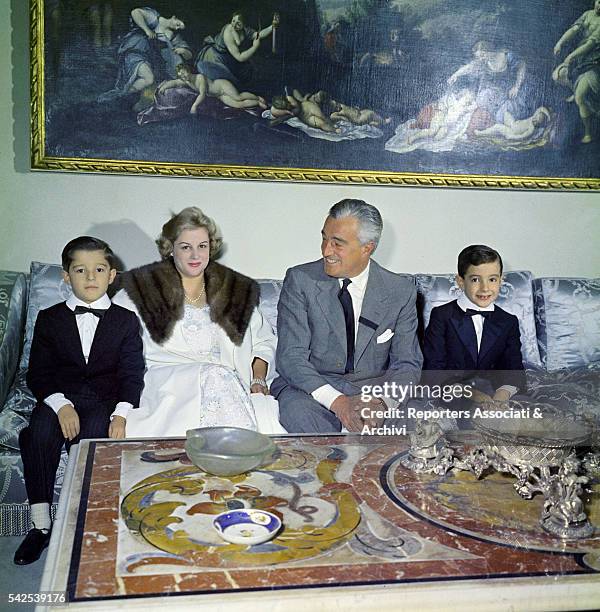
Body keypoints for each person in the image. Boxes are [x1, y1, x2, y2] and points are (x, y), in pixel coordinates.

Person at [15, 237, 144, 565]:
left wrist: (122, 413)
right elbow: (38, 372)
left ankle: (80, 525)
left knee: (91, 441)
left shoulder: (126, 321)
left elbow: (132, 373)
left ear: (112, 276)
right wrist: (60, 404)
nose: (90, 277)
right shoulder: (50, 318)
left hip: (101, 400)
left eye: (98, 269)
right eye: (80, 270)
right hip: (59, 398)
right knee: (38, 434)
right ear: (66, 276)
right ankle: (41, 526)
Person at [112, 207, 280, 437]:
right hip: (166, 386)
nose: (195, 256)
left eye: (202, 246)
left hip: (229, 387)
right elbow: (114, 351)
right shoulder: (138, 293)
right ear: (170, 249)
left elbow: (263, 343)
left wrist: (258, 379)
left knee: (220, 377)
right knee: (215, 375)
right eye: (185, 247)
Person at [271, 199, 423, 433]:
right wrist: (338, 402)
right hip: (311, 389)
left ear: (367, 248)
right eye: (324, 238)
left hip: (373, 394)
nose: (325, 250)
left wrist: (382, 405)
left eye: (337, 243)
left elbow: (407, 362)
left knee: (419, 421)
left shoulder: (400, 291)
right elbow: (291, 357)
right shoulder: (300, 280)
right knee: (298, 414)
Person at [422, 244, 525, 407]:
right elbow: (433, 370)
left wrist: (502, 395)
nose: (485, 288)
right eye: (475, 279)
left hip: (493, 395)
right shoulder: (442, 316)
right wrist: (470, 393)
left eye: (492, 279)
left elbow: (514, 370)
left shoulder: (508, 321)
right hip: (454, 394)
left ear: (501, 280)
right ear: (460, 282)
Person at [99, 7, 192, 106]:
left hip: (148, 59)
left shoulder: (172, 35)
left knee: (150, 80)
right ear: (174, 17)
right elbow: (135, 12)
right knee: (149, 78)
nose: (176, 28)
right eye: (178, 24)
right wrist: (146, 30)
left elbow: (188, 55)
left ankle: (121, 94)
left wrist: (183, 50)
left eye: (179, 28)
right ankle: (120, 94)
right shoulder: (155, 18)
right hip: (135, 51)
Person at [447, 40, 527, 125]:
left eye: (483, 55)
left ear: (489, 50)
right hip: (491, 94)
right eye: (479, 57)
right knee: (477, 104)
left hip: (508, 93)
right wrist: (455, 75)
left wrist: (516, 87)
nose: (481, 58)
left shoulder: (506, 55)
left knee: (501, 118)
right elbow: (470, 67)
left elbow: (522, 66)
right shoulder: (484, 61)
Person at [553, 0, 600, 143]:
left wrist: (571, 56)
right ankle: (577, 91)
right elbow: (574, 30)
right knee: (558, 75)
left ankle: (588, 133)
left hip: (594, 63)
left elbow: (589, 45)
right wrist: (560, 42)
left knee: (580, 97)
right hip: (581, 61)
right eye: (599, 1)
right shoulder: (588, 14)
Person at [196, 11, 279, 88]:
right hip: (215, 57)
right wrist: (254, 47)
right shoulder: (228, 32)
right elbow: (239, 57)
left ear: (244, 24)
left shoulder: (245, 30)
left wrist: (272, 26)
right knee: (228, 83)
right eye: (233, 21)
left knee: (248, 70)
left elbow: (258, 35)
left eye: (238, 23)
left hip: (228, 58)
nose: (234, 25)